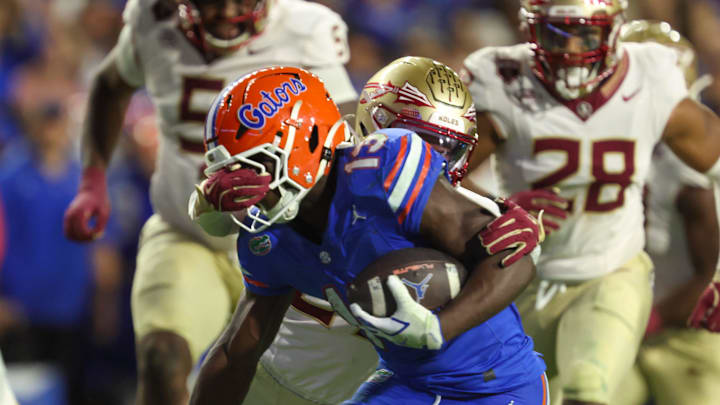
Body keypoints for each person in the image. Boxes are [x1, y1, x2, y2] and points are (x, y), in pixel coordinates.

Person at [61, 1, 370, 404]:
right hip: (190, 233)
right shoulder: (153, 20)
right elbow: (110, 83)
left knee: (280, 378)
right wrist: (93, 179)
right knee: (163, 357)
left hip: (279, 238)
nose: (226, 12)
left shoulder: (305, 26)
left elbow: (338, 130)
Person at [187, 63, 547, 404]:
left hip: (495, 386)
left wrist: (439, 327)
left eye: (257, 166)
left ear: (306, 141)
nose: (248, 188)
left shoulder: (380, 171)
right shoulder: (268, 237)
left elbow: (513, 257)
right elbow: (236, 351)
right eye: (234, 173)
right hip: (408, 382)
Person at [461, 1, 720, 404]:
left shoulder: (650, 76)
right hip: (519, 278)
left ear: (614, 31)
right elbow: (433, 182)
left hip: (610, 270)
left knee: (587, 389)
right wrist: (497, 206)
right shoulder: (501, 79)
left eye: (584, 32)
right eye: (554, 33)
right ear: (530, 31)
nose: (569, 51)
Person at [610, 20, 720, 405]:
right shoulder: (611, 145)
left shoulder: (689, 166)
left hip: (686, 329)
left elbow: (708, 275)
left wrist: (648, 320)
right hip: (625, 317)